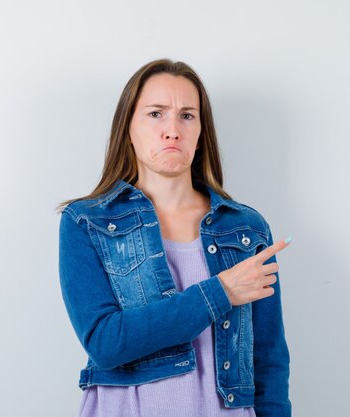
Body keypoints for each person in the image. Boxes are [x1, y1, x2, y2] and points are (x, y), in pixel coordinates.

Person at [57, 59, 292, 417]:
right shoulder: (87, 222)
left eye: (187, 115)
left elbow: (269, 359)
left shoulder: (245, 229)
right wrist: (220, 292)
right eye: (155, 114)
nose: (172, 130)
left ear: (201, 131)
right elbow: (106, 342)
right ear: (128, 128)